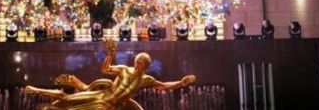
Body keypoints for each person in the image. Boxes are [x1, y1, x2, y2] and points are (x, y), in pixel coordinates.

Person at [25, 38, 196, 110]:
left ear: (146, 66)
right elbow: (105, 70)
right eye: (137, 62)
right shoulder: (123, 69)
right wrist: (110, 55)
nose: (138, 65)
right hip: (102, 96)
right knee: (66, 98)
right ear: (135, 62)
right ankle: (35, 90)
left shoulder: (145, 79)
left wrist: (181, 82)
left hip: (111, 107)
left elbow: (163, 86)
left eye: (142, 63)